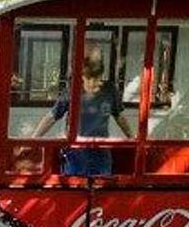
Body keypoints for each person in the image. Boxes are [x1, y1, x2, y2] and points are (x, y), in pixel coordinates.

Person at [32, 46, 133, 176]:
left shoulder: (109, 89)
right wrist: (33, 139)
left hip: (100, 152)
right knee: (75, 190)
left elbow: (120, 117)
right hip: (76, 153)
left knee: (99, 189)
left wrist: (134, 139)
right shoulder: (73, 89)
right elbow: (52, 116)